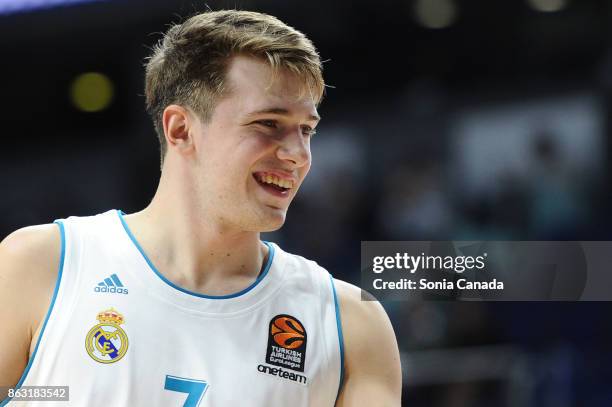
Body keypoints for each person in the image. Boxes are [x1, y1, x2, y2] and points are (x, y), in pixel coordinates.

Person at [0, 10, 401, 406]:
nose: (298, 154)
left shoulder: (350, 325)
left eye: (306, 130)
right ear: (181, 129)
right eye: (268, 123)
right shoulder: (40, 266)